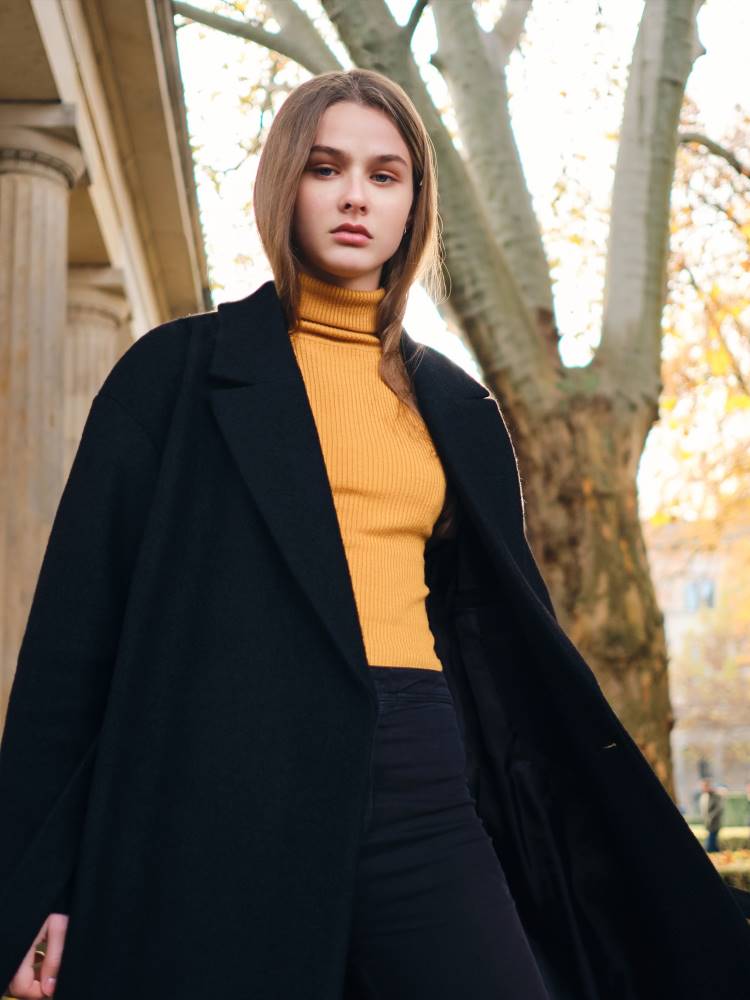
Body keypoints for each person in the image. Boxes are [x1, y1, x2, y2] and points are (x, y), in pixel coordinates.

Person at [2, 68, 750, 1000]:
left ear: (413, 205)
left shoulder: (456, 406)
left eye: (385, 174)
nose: (356, 194)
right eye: (326, 167)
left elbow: (503, 648)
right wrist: (36, 885)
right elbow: (74, 645)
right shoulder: (173, 376)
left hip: (418, 770)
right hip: (226, 778)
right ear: (286, 184)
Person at [699, 777, 724, 853]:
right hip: (707, 824)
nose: (703, 787)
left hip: (714, 823)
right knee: (714, 844)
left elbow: (719, 809)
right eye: (702, 786)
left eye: (705, 785)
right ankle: (718, 854)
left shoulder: (716, 796)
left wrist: (710, 817)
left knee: (710, 845)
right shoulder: (702, 796)